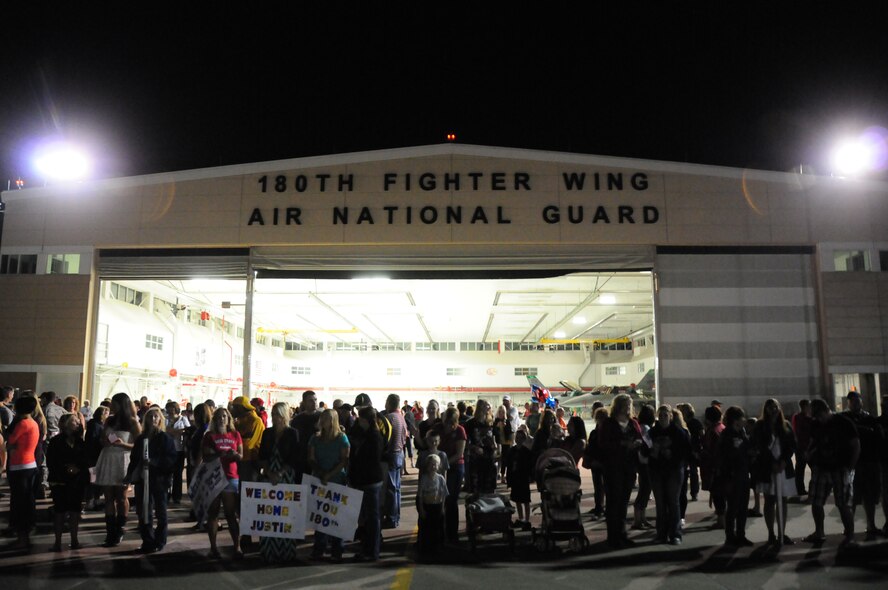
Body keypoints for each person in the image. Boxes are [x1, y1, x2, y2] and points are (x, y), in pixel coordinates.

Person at [805, 398, 859, 547]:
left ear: (826, 410)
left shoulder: (843, 422)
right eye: (816, 417)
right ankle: (819, 532)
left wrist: (850, 467)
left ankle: (850, 535)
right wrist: (810, 456)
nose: (819, 420)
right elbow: (812, 443)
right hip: (821, 467)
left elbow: (855, 445)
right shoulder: (816, 424)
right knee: (817, 501)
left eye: (820, 416)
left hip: (840, 467)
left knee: (843, 504)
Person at [94, 392, 141, 547]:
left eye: (115, 403)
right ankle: (110, 531)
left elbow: (140, 445)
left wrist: (123, 445)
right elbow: (101, 438)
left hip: (123, 458)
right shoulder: (110, 420)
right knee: (108, 497)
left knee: (121, 496)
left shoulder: (133, 422)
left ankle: (120, 527)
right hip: (108, 457)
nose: (112, 406)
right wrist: (105, 441)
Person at [127, 407, 177, 553]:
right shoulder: (141, 439)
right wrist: (130, 474)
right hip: (143, 479)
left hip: (159, 479)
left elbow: (171, 458)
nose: (153, 419)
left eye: (156, 417)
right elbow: (134, 458)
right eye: (150, 417)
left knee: (161, 511)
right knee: (144, 511)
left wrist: (155, 462)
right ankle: (147, 541)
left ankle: (160, 540)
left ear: (160, 419)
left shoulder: (165, 438)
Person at [597, 393, 643, 548]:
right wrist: (623, 444)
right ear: (618, 406)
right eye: (625, 404)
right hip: (613, 467)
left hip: (629, 467)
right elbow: (603, 444)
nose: (628, 407)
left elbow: (640, 438)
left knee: (623, 502)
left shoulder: (633, 423)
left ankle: (622, 534)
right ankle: (613, 536)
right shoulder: (609, 423)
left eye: (629, 404)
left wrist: (637, 443)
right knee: (613, 502)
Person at [751, 399, 797, 546]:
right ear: (766, 410)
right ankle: (771, 533)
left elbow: (791, 445)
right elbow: (759, 446)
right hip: (767, 468)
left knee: (782, 499)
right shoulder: (760, 426)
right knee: (770, 500)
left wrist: (783, 461)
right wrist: (772, 463)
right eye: (771, 408)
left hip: (783, 468)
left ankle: (781, 533)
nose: (774, 410)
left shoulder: (786, 425)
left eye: (776, 407)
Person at [257, 402, 299, 563]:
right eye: (273, 414)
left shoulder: (292, 433)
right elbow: (262, 456)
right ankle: (268, 549)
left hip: (286, 475)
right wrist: (269, 472)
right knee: (269, 513)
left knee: (285, 513)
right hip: (269, 475)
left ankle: (286, 550)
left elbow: (295, 457)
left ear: (284, 416)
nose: (275, 417)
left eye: (278, 414)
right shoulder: (267, 433)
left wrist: (280, 473)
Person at [308, 409, 350, 562]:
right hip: (320, 480)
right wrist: (320, 473)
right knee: (320, 517)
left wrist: (329, 474)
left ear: (332, 421)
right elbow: (311, 458)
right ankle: (319, 547)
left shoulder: (342, 438)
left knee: (336, 517)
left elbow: (344, 460)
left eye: (325, 419)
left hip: (337, 480)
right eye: (322, 418)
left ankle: (337, 549)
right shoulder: (315, 438)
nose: (322, 421)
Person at [202, 407, 243, 558]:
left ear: (229, 418)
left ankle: (237, 546)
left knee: (230, 513)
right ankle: (213, 548)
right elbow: (206, 457)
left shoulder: (235, 434)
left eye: (224, 416)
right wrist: (221, 454)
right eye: (218, 416)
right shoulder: (209, 436)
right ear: (214, 419)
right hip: (214, 477)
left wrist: (234, 455)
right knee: (213, 514)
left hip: (231, 476)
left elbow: (241, 455)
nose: (221, 419)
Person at [841, 390, 882, 540]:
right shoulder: (844, 418)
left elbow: (877, 437)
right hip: (853, 462)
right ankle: (849, 527)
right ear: (849, 403)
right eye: (853, 401)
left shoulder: (869, 418)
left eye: (857, 401)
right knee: (851, 496)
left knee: (869, 496)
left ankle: (871, 524)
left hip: (868, 461)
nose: (856, 403)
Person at [649, 404, 691, 545]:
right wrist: (653, 452)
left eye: (665, 415)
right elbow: (646, 450)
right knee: (660, 504)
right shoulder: (653, 432)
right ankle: (661, 533)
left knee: (673, 502)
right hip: (657, 470)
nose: (662, 418)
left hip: (674, 469)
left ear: (670, 416)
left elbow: (686, 451)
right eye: (660, 415)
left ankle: (675, 534)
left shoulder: (679, 432)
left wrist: (672, 454)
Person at [47, 414, 89, 551]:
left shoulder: (80, 442)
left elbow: (85, 459)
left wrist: (78, 467)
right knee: (60, 511)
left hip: (77, 481)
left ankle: (74, 540)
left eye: (78, 421)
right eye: (74, 421)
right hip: (60, 480)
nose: (77, 423)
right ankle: (57, 542)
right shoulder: (55, 441)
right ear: (65, 424)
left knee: (75, 511)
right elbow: (51, 461)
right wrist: (66, 468)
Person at [348, 406, 384, 562]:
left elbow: (368, 460)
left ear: (365, 420)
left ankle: (372, 550)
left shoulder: (373, 436)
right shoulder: (368, 434)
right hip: (368, 480)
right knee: (368, 518)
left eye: (360, 419)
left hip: (369, 480)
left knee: (372, 518)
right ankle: (368, 549)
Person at [5, 395, 41, 550]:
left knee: (19, 503)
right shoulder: (33, 423)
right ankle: (24, 534)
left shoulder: (22, 424)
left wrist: (10, 446)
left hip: (19, 466)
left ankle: (22, 537)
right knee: (27, 501)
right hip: (30, 464)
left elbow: (10, 441)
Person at [716, 406, 754, 546]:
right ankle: (730, 536)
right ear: (736, 420)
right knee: (733, 507)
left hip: (743, 473)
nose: (744, 420)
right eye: (742, 417)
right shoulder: (727, 435)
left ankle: (740, 535)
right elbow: (723, 456)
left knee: (742, 506)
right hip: (732, 475)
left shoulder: (741, 432)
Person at [433, 407, 467, 543]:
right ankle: (439, 532)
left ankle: (452, 533)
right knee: (439, 500)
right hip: (438, 467)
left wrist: (443, 464)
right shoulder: (437, 428)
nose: (449, 426)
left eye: (452, 422)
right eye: (447, 422)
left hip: (455, 467)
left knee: (451, 500)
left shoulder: (460, 431)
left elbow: (459, 454)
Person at [464, 399, 501, 494]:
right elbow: (465, 442)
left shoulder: (490, 422)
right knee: (476, 487)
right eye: (484, 406)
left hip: (489, 457)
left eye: (487, 407)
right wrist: (474, 448)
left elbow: (495, 438)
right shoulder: (470, 423)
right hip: (476, 458)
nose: (486, 409)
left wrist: (497, 450)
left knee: (489, 486)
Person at [382, 394, 407, 529]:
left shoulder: (389, 418)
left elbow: (384, 439)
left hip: (391, 454)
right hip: (400, 454)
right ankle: (396, 516)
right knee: (396, 488)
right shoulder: (401, 418)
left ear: (389, 403)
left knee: (390, 489)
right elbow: (406, 436)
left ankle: (391, 518)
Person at [417, 454, 448, 557]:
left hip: (437, 505)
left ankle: (439, 546)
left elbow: (443, 494)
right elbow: (420, 495)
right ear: (427, 466)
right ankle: (426, 547)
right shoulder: (424, 479)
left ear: (438, 466)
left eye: (435, 465)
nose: (433, 467)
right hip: (427, 506)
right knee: (427, 527)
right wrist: (421, 509)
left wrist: (443, 507)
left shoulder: (440, 479)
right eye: (431, 464)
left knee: (438, 527)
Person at [700, 405, 726, 529]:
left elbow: (711, 451)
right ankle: (722, 518)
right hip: (722, 467)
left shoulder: (712, 431)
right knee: (721, 495)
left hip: (714, 468)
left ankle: (721, 520)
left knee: (718, 494)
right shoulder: (722, 428)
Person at [632, 404, 655, 530]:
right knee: (645, 490)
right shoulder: (646, 428)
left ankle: (642, 518)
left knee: (645, 489)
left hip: (641, 462)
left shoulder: (640, 426)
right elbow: (649, 445)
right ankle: (638, 520)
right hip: (645, 462)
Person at [290, 390, 321, 482]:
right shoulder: (297, 419)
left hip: (318, 457)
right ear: (304, 402)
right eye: (310, 400)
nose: (314, 402)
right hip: (301, 458)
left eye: (315, 399)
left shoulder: (322, 417)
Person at [84, 405, 109, 511]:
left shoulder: (95, 424)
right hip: (94, 457)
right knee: (93, 479)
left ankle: (94, 500)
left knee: (94, 479)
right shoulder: (96, 425)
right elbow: (94, 440)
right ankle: (91, 500)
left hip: (94, 456)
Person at [164, 401, 190, 504]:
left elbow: (187, 431)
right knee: (167, 473)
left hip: (179, 449)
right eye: (169, 408)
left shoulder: (183, 419)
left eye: (172, 408)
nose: (171, 410)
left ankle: (177, 496)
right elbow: (164, 430)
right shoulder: (165, 419)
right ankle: (166, 494)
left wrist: (172, 431)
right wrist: (178, 431)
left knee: (178, 474)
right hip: (167, 450)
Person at [677, 403, 704, 502]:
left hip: (692, 450)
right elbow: (702, 435)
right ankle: (691, 493)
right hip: (688, 450)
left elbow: (702, 435)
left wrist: (699, 449)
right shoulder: (687, 422)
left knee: (692, 472)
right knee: (690, 472)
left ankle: (693, 492)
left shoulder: (692, 422)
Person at [508, 428, 533, 529]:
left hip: (523, 477)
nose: (518, 439)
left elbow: (529, 465)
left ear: (523, 439)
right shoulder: (512, 450)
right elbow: (509, 464)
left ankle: (526, 519)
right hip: (515, 477)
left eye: (520, 438)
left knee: (526, 500)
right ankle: (521, 517)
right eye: (517, 437)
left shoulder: (526, 451)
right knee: (517, 499)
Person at [791, 399, 813, 497]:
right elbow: (799, 433)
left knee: (800, 469)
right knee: (803, 469)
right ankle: (803, 489)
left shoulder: (797, 417)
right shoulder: (804, 418)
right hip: (804, 447)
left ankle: (800, 489)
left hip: (803, 447)